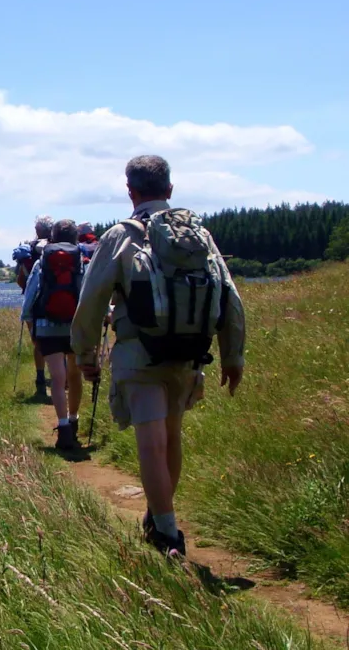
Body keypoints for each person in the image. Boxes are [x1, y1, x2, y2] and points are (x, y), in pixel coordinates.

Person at [71, 155, 246, 559]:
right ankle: (159, 513)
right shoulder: (200, 236)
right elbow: (229, 295)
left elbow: (92, 300)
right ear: (170, 189)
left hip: (139, 353)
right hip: (188, 355)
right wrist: (232, 356)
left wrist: (85, 354)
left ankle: (168, 533)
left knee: (150, 444)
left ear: (130, 191)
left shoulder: (121, 236)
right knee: (171, 438)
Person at [21, 219, 85, 450]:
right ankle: (75, 419)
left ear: (53, 237)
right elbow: (88, 292)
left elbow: (31, 293)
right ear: (76, 238)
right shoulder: (81, 261)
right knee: (75, 375)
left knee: (58, 378)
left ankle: (63, 428)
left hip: (47, 325)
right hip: (75, 325)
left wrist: (29, 322)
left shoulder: (42, 262)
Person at [13, 215, 54, 395]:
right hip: (56, 301)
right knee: (59, 340)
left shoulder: (27, 252)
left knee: (38, 343)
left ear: (37, 231)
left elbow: (20, 281)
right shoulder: (59, 248)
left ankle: (40, 380)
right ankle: (62, 378)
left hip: (34, 304)